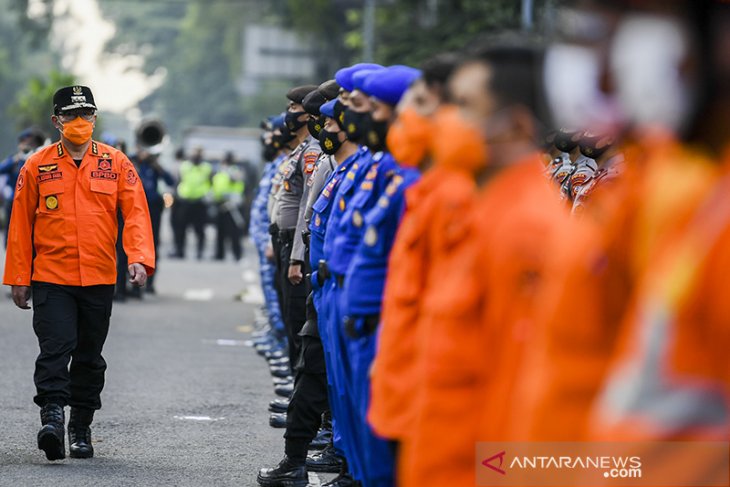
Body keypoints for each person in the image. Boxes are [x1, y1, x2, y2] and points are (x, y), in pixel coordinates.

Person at [3, 85, 155, 461]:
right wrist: (18, 278)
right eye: (70, 116)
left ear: (95, 118)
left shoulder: (116, 162)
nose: (79, 122)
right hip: (51, 276)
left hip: (100, 276)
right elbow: (19, 224)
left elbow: (135, 212)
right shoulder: (36, 165)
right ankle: (52, 418)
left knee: (89, 355)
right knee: (55, 349)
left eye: (85, 115)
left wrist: (138, 256)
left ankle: (81, 425)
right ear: (56, 121)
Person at [0, 127, 46, 246]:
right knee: (11, 227)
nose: (27, 146)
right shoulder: (14, 159)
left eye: (30, 143)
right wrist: (17, 159)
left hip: (35, 201)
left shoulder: (40, 158)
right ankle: (9, 246)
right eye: (24, 142)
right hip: (13, 200)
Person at [173, 146, 212, 259]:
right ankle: (180, 250)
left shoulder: (206, 167)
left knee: (200, 230)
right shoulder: (184, 166)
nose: (196, 156)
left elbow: (210, 182)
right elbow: (179, 181)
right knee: (181, 228)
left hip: (200, 202)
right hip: (185, 200)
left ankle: (200, 252)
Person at [212, 151, 245, 261]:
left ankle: (237, 254)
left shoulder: (234, 171)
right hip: (220, 203)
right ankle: (219, 254)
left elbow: (238, 182)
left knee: (233, 232)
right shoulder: (220, 171)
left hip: (231, 205)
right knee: (220, 231)